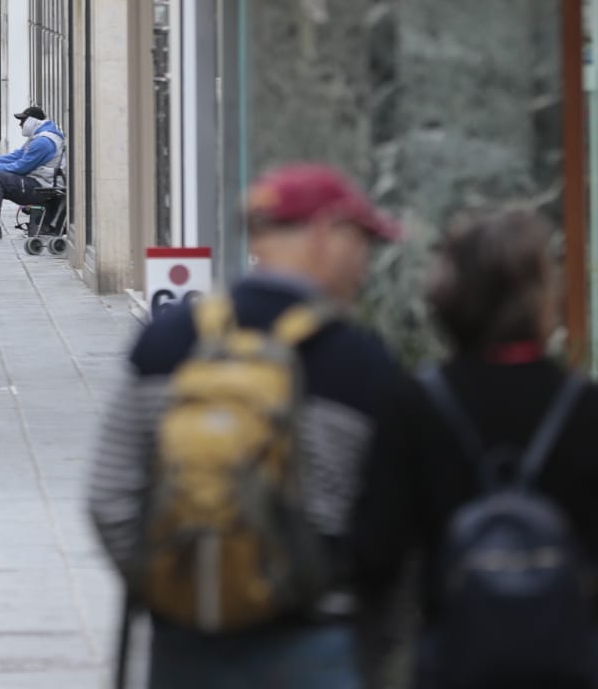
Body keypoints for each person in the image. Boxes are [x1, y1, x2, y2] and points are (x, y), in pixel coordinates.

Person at [87, 164, 404, 688]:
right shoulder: (362, 362)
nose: (365, 264)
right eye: (362, 241)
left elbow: (109, 498)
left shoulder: (165, 342)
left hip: (184, 648)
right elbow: (391, 530)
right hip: (314, 644)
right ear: (328, 232)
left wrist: (180, 586)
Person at [352, 209, 598, 687]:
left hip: (455, 659)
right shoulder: (585, 408)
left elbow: (377, 552)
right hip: (567, 663)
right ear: (538, 297)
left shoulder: (412, 404)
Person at [0, 105, 65, 240]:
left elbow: (22, 167)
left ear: (33, 121)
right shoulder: (39, 136)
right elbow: (15, 156)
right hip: (38, 183)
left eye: (23, 120)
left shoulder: (43, 141)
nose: (20, 124)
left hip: (42, 187)